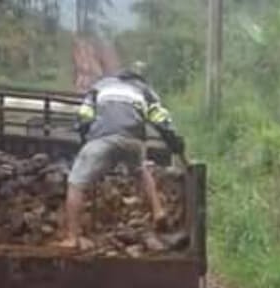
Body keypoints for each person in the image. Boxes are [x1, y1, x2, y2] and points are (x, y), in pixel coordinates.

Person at [59, 63, 185, 249]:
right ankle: (158, 210)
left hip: (103, 137)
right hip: (133, 140)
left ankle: (72, 238)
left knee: (75, 183)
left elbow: (84, 116)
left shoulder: (100, 87)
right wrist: (175, 144)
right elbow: (161, 120)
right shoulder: (145, 91)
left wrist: (85, 139)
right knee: (140, 170)